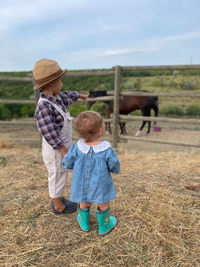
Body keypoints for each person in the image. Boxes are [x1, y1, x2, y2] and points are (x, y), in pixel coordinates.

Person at [33, 58, 88, 214]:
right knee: (57, 174)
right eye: (60, 81)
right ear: (52, 83)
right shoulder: (44, 106)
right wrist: (64, 151)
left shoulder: (56, 99)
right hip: (56, 149)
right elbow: (49, 133)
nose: (61, 84)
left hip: (61, 148)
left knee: (61, 174)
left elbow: (67, 96)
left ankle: (57, 198)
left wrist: (80, 96)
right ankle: (58, 206)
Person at [62, 111, 120, 236]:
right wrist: (114, 169)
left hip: (81, 182)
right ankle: (104, 226)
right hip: (100, 183)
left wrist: (70, 166)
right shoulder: (106, 148)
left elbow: (67, 160)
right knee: (103, 203)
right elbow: (114, 163)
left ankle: (84, 223)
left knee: (84, 201)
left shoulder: (77, 147)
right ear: (100, 130)